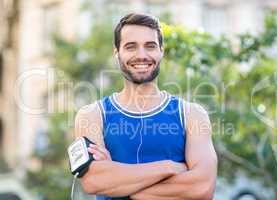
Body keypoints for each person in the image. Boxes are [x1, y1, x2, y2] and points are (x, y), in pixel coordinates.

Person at [74, 13, 217, 200]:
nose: (141, 55)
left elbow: (202, 187)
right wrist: (169, 167)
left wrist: (117, 181)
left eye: (150, 46)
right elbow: (93, 181)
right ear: (117, 53)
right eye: (131, 47)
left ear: (162, 51)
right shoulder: (91, 115)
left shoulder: (192, 115)